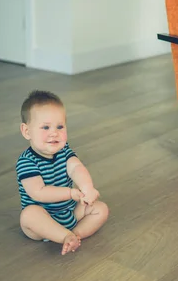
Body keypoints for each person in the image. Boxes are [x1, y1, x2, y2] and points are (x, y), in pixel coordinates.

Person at [16, 90, 109, 255]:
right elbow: (39, 193)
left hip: (70, 211)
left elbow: (76, 168)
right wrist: (71, 193)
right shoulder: (26, 162)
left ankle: (75, 235)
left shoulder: (64, 151)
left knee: (101, 209)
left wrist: (87, 188)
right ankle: (63, 235)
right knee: (28, 215)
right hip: (43, 220)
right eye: (45, 127)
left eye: (60, 126)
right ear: (26, 131)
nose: (54, 133)